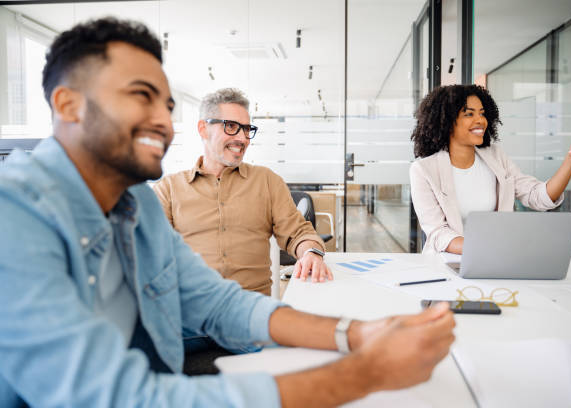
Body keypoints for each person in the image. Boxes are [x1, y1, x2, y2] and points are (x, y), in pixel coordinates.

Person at [0, 18, 455, 408]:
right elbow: (123, 399)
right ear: (68, 104)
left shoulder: (134, 204)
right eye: (141, 96)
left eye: (167, 105)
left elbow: (218, 302)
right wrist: (366, 373)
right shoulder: (14, 216)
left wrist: (360, 334)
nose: (162, 120)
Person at [154, 88, 331, 295]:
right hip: (193, 308)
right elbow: (152, 252)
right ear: (203, 129)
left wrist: (311, 253)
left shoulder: (267, 181)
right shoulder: (169, 189)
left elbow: (298, 232)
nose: (243, 138)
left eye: (247, 129)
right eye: (231, 127)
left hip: (252, 307)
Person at [410, 84, 571, 255]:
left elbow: (537, 196)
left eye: (482, 113)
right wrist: (488, 247)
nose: (480, 120)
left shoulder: (495, 156)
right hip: (449, 264)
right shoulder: (423, 170)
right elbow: (438, 233)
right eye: (469, 114)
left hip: (497, 259)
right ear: (445, 121)